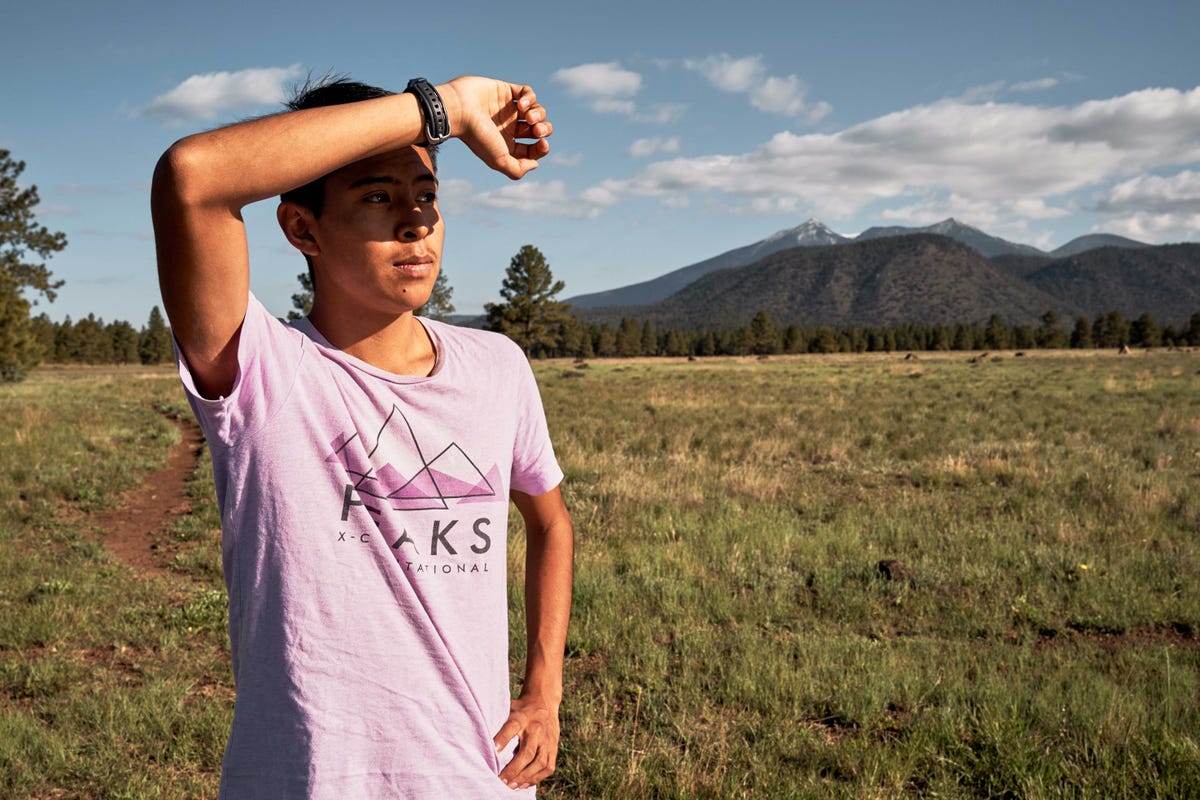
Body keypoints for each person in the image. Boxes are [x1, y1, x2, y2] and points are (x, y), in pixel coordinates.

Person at [151, 75, 573, 798]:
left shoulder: (498, 366)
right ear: (302, 229)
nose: (416, 221)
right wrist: (448, 107)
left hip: (477, 777)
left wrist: (544, 693)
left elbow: (550, 520)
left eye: (427, 194)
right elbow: (192, 178)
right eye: (377, 197)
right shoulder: (262, 372)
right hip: (305, 779)